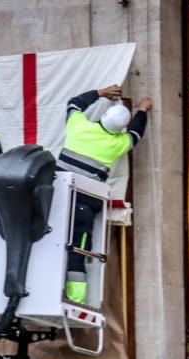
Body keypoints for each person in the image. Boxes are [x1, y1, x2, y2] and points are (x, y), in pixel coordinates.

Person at [56, 85, 151, 304]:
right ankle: (76, 300)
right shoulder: (116, 144)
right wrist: (143, 110)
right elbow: (136, 133)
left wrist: (99, 93)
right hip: (84, 205)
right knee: (77, 249)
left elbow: (73, 103)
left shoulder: (78, 127)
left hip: (57, 197)